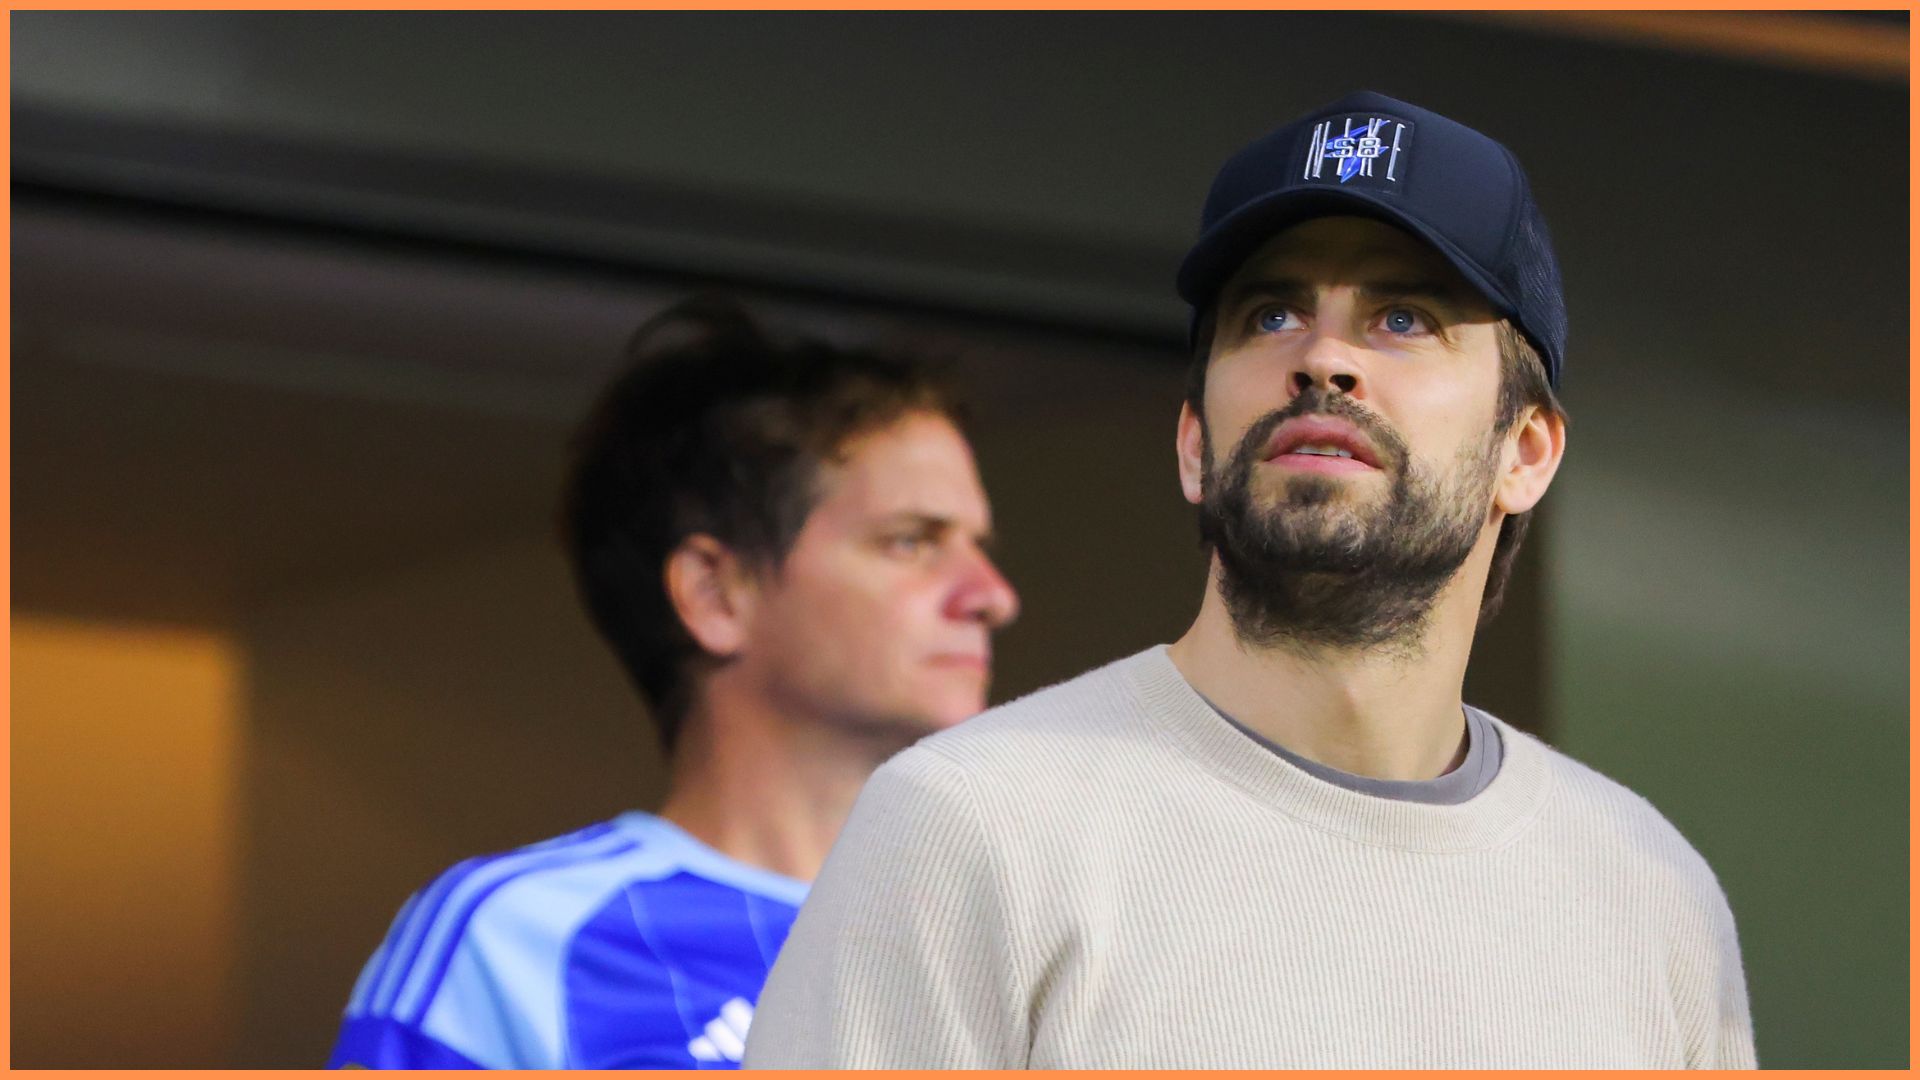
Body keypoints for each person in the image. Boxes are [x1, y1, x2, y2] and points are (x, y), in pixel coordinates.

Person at [744, 91, 1756, 1069]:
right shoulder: (968, 827)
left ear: (1525, 452)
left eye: (1403, 318)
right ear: (1194, 442)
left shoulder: (1648, 896)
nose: (1323, 360)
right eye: (1271, 316)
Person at [327, 297, 1019, 1069]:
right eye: (912, 542)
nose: (992, 594)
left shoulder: (1037, 944)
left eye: (977, 545)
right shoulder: (519, 937)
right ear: (716, 595)